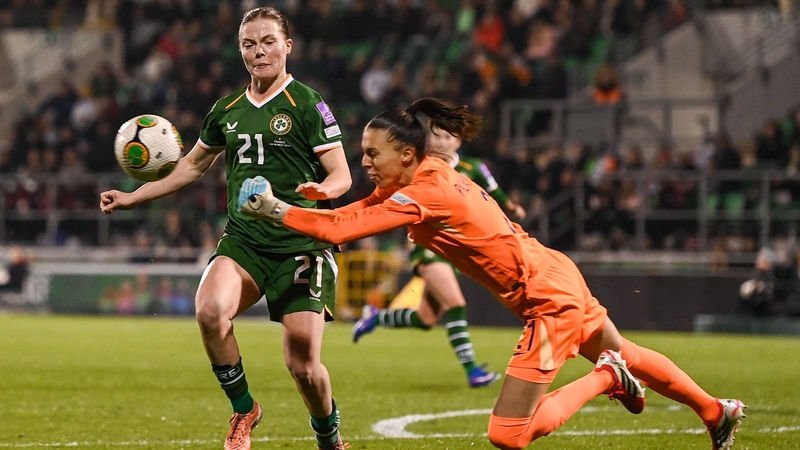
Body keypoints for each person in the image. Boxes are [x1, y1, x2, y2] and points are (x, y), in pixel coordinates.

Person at [238, 97, 747, 450]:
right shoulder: (432, 172)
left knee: (509, 434)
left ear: (407, 154)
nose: (364, 160)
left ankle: (607, 377)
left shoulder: (426, 192)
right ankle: (713, 411)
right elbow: (362, 206)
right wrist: (324, 196)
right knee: (630, 349)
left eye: (373, 153)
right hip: (555, 271)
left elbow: (340, 232)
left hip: (548, 300)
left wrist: (274, 209)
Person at [100, 7, 352, 450]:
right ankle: (244, 409)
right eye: (250, 44)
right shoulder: (227, 110)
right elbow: (192, 166)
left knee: (303, 368)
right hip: (245, 241)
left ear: (287, 46)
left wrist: (320, 190)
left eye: (269, 41)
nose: (260, 52)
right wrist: (132, 196)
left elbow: (342, 175)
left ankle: (329, 435)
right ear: (240, 51)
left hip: (302, 244)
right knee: (209, 311)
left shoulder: (308, 105)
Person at [351, 121, 527, 389]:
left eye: (448, 137)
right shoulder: (420, 168)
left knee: (425, 318)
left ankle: (376, 316)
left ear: (458, 142)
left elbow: (495, 194)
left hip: (456, 250)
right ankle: (472, 370)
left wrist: (513, 209)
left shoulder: (473, 168)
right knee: (455, 303)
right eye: (437, 137)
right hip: (429, 247)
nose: (441, 142)